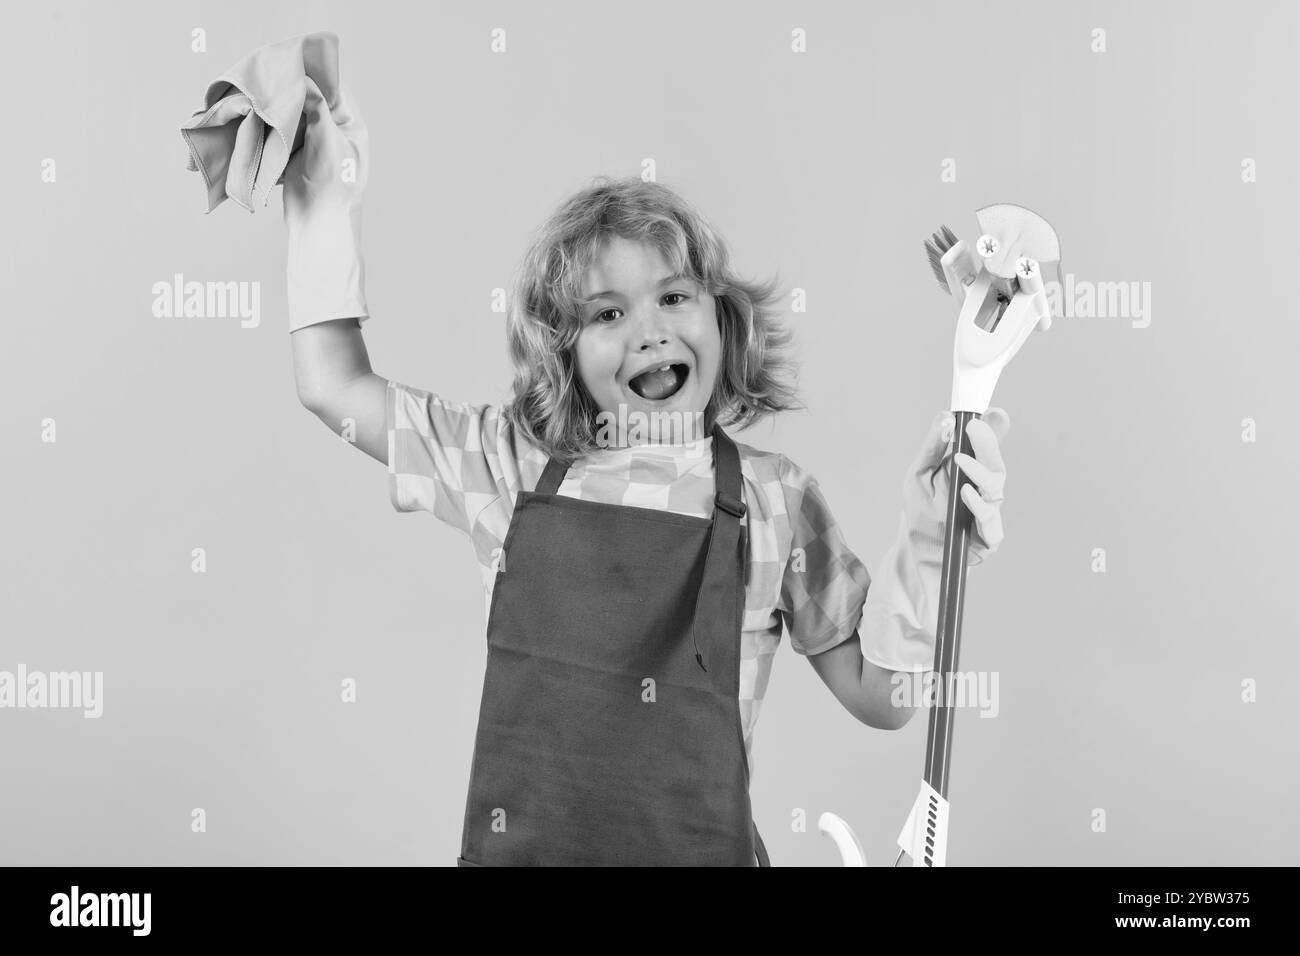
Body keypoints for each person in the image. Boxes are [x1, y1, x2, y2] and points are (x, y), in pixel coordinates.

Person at [283, 102, 1009, 866]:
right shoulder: (513, 466)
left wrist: (931, 542)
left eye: (673, 296)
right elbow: (332, 387)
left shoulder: (776, 502)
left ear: (722, 319)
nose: (649, 331)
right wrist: (321, 201)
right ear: (565, 353)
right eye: (607, 313)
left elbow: (885, 699)